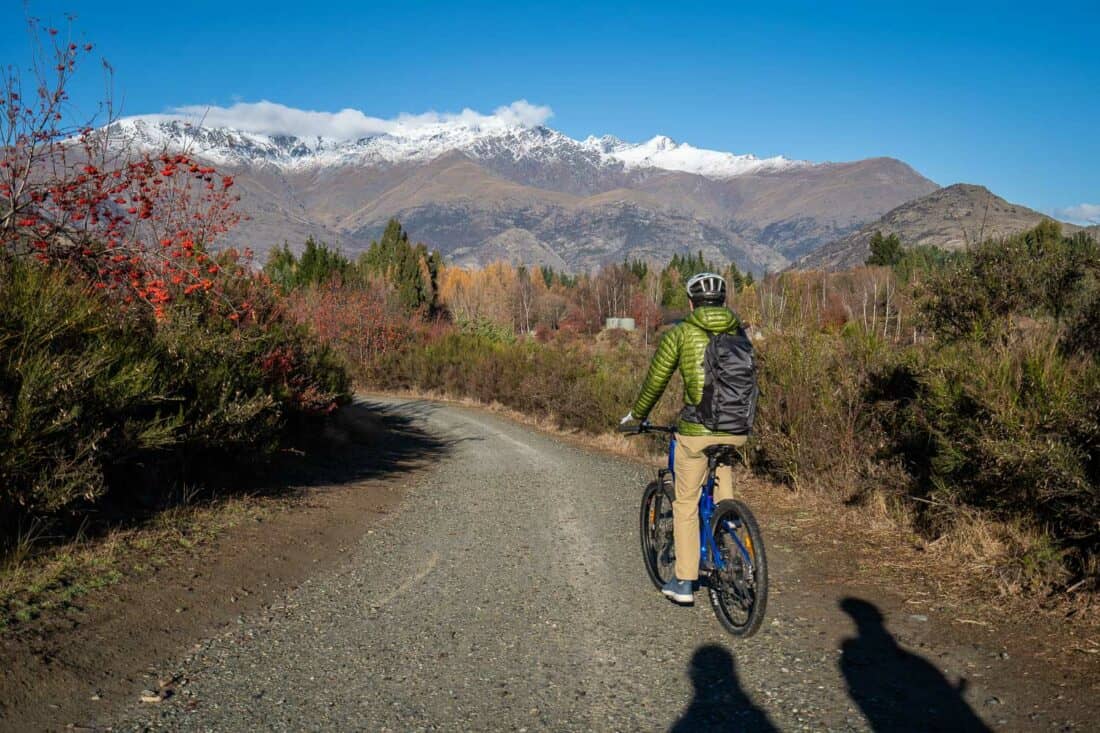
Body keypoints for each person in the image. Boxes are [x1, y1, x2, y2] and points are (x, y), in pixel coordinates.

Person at [621, 272, 747, 604]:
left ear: (691, 303)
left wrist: (637, 415)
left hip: (697, 431)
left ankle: (684, 581)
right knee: (722, 495)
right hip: (737, 429)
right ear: (723, 302)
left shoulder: (683, 333)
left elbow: (656, 381)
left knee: (686, 503)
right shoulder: (739, 331)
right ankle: (735, 550)